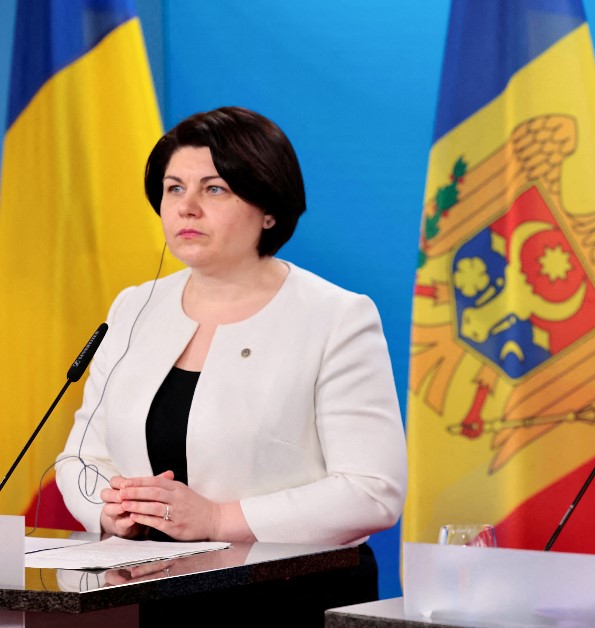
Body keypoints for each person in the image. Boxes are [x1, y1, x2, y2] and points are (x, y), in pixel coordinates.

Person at [55, 106, 408, 610]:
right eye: (174, 188)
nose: (186, 208)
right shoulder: (134, 306)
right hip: (139, 587)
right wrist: (111, 510)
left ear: (269, 207)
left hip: (288, 594)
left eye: (214, 189)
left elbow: (373, 492)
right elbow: (80, 457)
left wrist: (219, 519)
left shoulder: (337, 316)